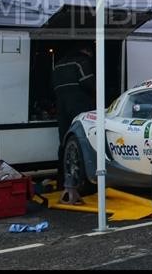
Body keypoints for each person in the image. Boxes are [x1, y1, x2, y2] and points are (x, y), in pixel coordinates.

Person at [52, 43, 95, 200]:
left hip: (61, 106)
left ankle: (62, 180)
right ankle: (82, 183)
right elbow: (88, 83)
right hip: (79, 104)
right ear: (85, 50)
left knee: (64, 142)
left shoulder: (58, 65)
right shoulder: (81, 61)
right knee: (82, 141)